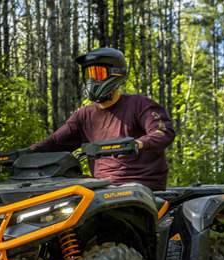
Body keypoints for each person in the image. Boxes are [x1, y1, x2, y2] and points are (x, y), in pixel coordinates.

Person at [30, 47, 176, 191]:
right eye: (88, 75)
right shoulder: (84, 115)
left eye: (98, 74)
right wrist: (26, 153)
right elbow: (54, 142)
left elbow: (163, 133)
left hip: (140, 186)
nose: (92, 80)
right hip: (102, 188)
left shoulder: (140, 104)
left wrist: (137, 144)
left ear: (116, 74)